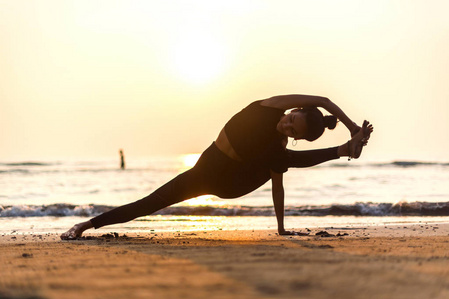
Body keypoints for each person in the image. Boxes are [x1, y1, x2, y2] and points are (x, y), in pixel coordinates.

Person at [61, 94, 373, 239]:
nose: (286, 126)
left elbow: (278, 186)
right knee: (152, 202)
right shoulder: (267, 107)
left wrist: (280, 228)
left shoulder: (277, 149)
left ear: (297, 137)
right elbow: (325, 100)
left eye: (294, 131)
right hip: (205, 172)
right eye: (291, 119)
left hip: (234, 184)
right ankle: (87, 225)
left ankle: (343, 151)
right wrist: (351, 127)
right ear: (291, 109)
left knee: (280, 160)